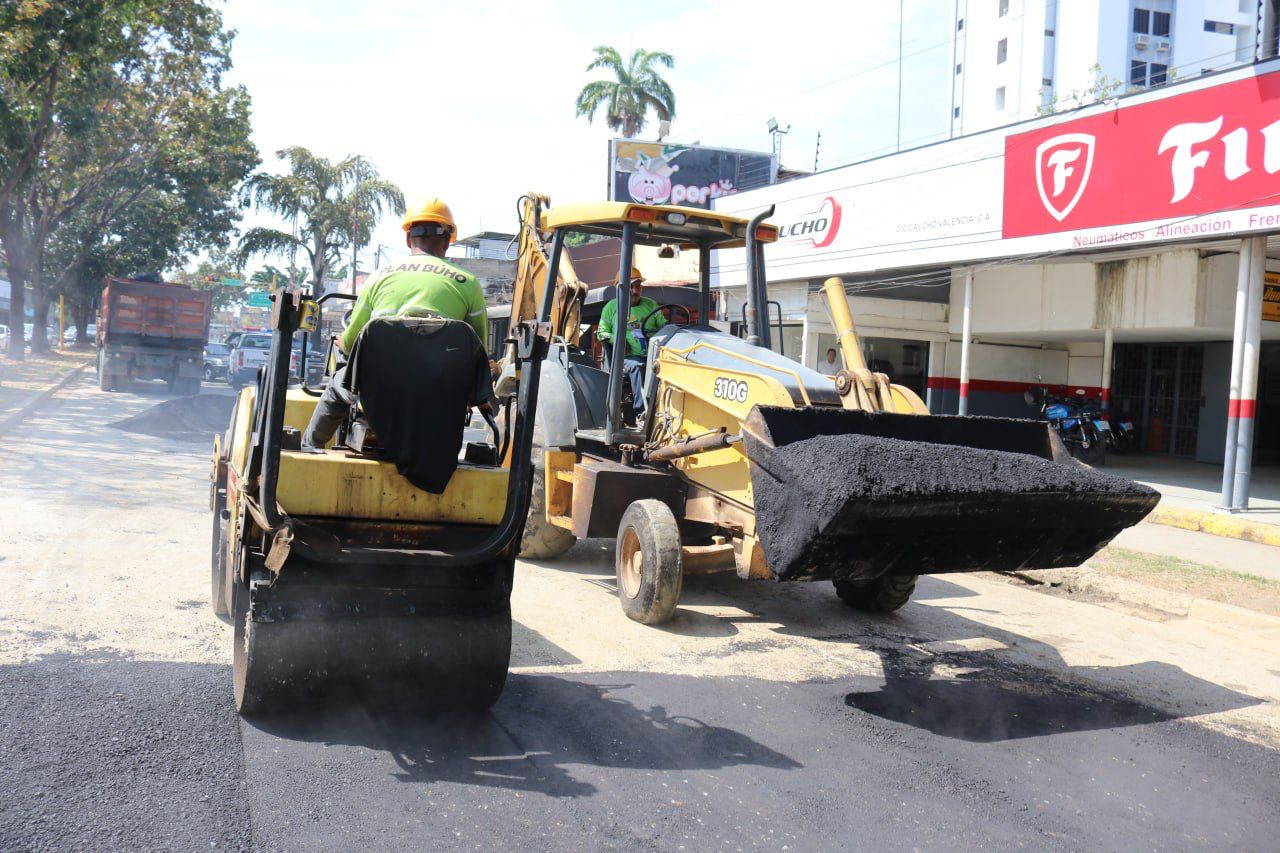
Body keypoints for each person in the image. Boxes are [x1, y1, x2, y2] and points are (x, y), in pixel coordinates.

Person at [301, 196, 490, 451]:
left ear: (408, 238)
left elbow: (351, 341)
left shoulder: (379, 277)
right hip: (441, 394)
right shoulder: (467, 283)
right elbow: (479, 351)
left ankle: (310, 447)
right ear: (447, 241)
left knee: (338, 385)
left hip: (379, 389)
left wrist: (341, 341)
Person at [596, 266, 664, 420]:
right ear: (619, 288)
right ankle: (642, 414)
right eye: (630, 286)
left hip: (653, 354)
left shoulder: (651, 305)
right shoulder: (611, 308)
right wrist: (618, 340)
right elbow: (601, 332)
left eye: (638, 286)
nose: (635, 290)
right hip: (625, 358)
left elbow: (664, 326)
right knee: (638, 367)